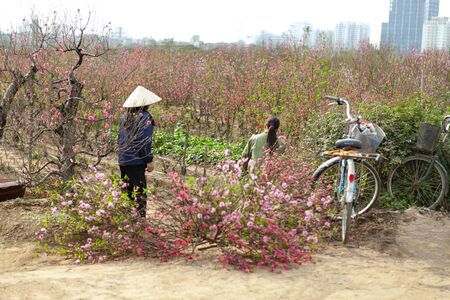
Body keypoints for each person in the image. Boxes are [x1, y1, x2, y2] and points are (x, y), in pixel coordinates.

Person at [118, 86, 161, 218]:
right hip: (136, 160)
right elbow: (144, 141)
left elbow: (120, 139)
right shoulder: (145, 118)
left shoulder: (125, 117)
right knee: (140, 190)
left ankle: (127, 217)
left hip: (124, 159)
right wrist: (148, 160)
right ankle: (140, 220)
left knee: (127, 189)